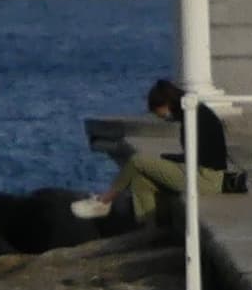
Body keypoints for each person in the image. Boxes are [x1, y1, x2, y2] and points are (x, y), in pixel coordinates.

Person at [71, 78, 229, 223]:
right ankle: (149, 229)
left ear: (165, 104)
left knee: (137, 161)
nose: (159, 116)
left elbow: (202, 159)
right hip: (201, 172)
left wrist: (172, 162)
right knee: (142, 180)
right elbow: (196, 154)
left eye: (157, 112)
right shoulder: (194, 112)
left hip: (208, 178)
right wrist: (171, 159)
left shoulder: (194, 116)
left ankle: (104, 201)